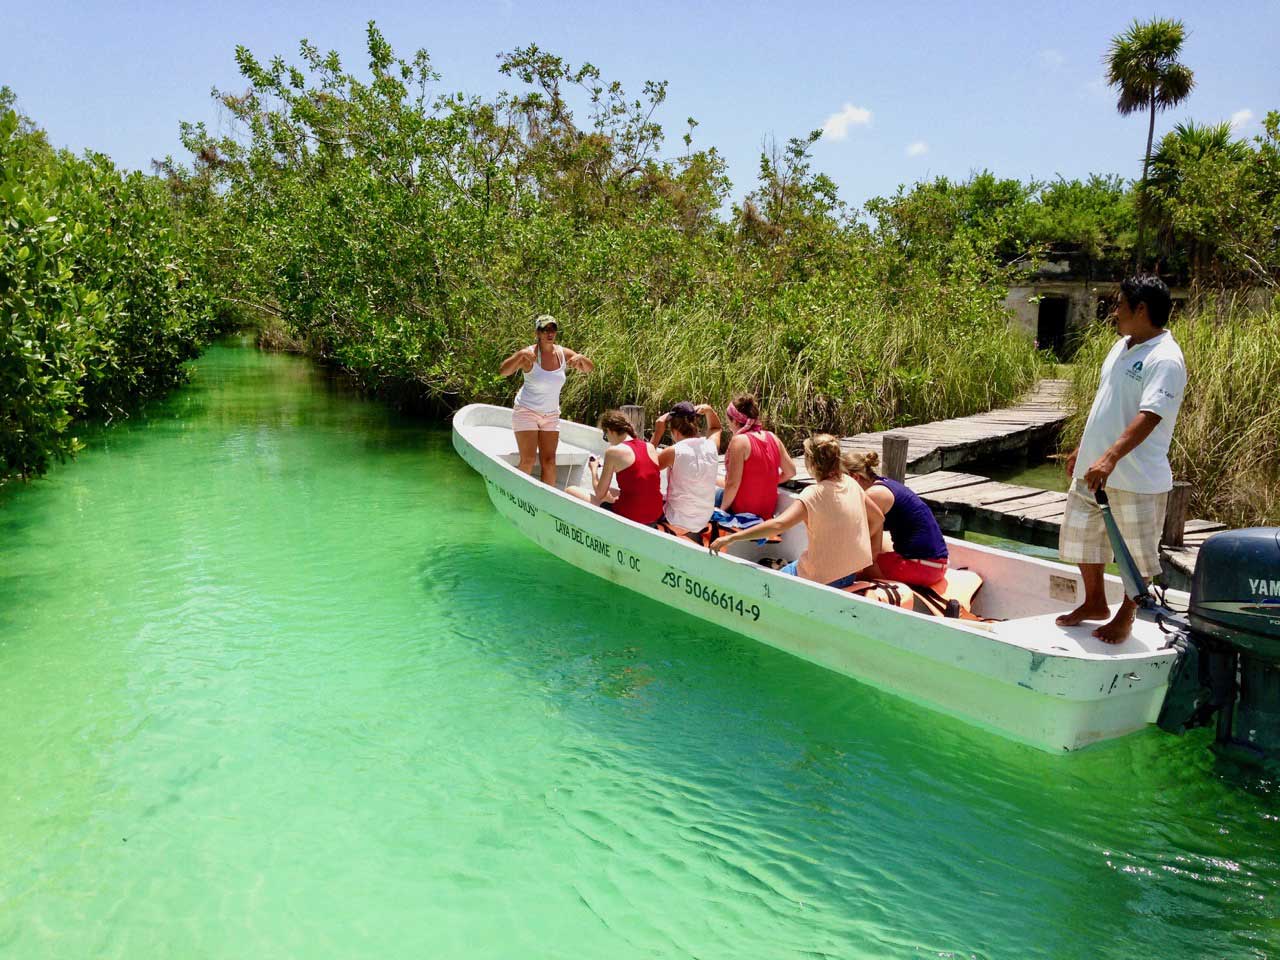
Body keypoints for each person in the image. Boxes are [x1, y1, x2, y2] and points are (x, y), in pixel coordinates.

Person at [1056, 275, 1187, 643]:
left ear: (1141, 309)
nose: (1114, 313)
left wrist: (1111, 458)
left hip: (1135, 477)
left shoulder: (1165, 357)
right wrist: (1085, 449)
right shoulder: (1122, 346)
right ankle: (1095, 601)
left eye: (1120, 305)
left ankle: (1127, 615)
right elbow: (1109, 403)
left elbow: (1151, 414)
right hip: (1094, 469)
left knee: (1135, 552)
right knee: (1082, 537)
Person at [710, 434, 882, 589]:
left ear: (811, 464)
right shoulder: (851, 483)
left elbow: (778, 525)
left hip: (820, 577)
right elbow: (878, 518)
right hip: (850, 573)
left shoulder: (813, 494)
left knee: (765, 585)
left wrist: (731, 537)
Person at [499, 314, 594, 487]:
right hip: (526, 411)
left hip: (550, 415)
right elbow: (503, 371)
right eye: (545, 330)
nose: (550, 333)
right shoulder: (529, 354)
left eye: (553, 329)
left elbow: (589, 368)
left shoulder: (562, 353)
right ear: (537, 332)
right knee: (527, 460)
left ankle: (546, 502)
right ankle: (518, 494)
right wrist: (519, 356)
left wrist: (581, 359)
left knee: (549, 461)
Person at [842, 450, 949, 587]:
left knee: (858, 570)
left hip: (922, 568)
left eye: (839, 480)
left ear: (854, 477)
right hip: (937, 565)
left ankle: (881, 588)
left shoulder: (873, 496)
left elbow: (870, 553)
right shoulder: (884, 484)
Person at [566, 410, 664, 525]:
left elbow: (599, 494)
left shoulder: (613, 452)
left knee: (570, 490)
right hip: (655, 513)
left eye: (605, 436)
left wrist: (594, 471)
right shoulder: (650, 446)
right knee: (611, 491)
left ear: (610, 431)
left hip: (631, 516)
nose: (608, 441)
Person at [718, 394, 796, 519]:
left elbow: (733, 484)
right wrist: (763, 482)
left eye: (728, 421)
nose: (728, 425)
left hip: (743, 512)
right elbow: (791, 472)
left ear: (735, 421)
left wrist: (722, 511)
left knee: (713, 496)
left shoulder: (739, 441)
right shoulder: (772, 437)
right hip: (766, 513)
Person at [653, 402, 722, 537]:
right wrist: (709, 410)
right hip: (703, 519)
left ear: (674, 431)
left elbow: (644, 466)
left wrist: (657, 433)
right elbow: (716, 428)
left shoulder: (673, 452)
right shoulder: (711, 446)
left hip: (676, 519)